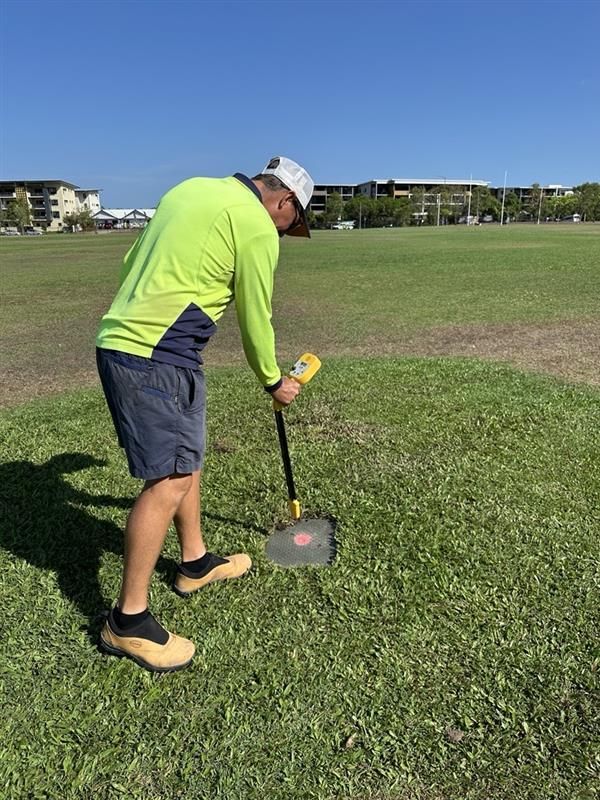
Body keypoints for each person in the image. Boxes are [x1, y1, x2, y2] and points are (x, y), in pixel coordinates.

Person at [96, 157, 314, 672]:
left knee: (186, 461)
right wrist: (272, 380)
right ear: (283, 202)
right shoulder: (257, 225)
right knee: (168, 479)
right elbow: (255, 312)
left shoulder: (190, 188)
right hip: (155, 353)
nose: (286, 234)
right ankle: (127, 622)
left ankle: (194, 563)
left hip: (136, 342)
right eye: (293, 224)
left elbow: (134, 262)